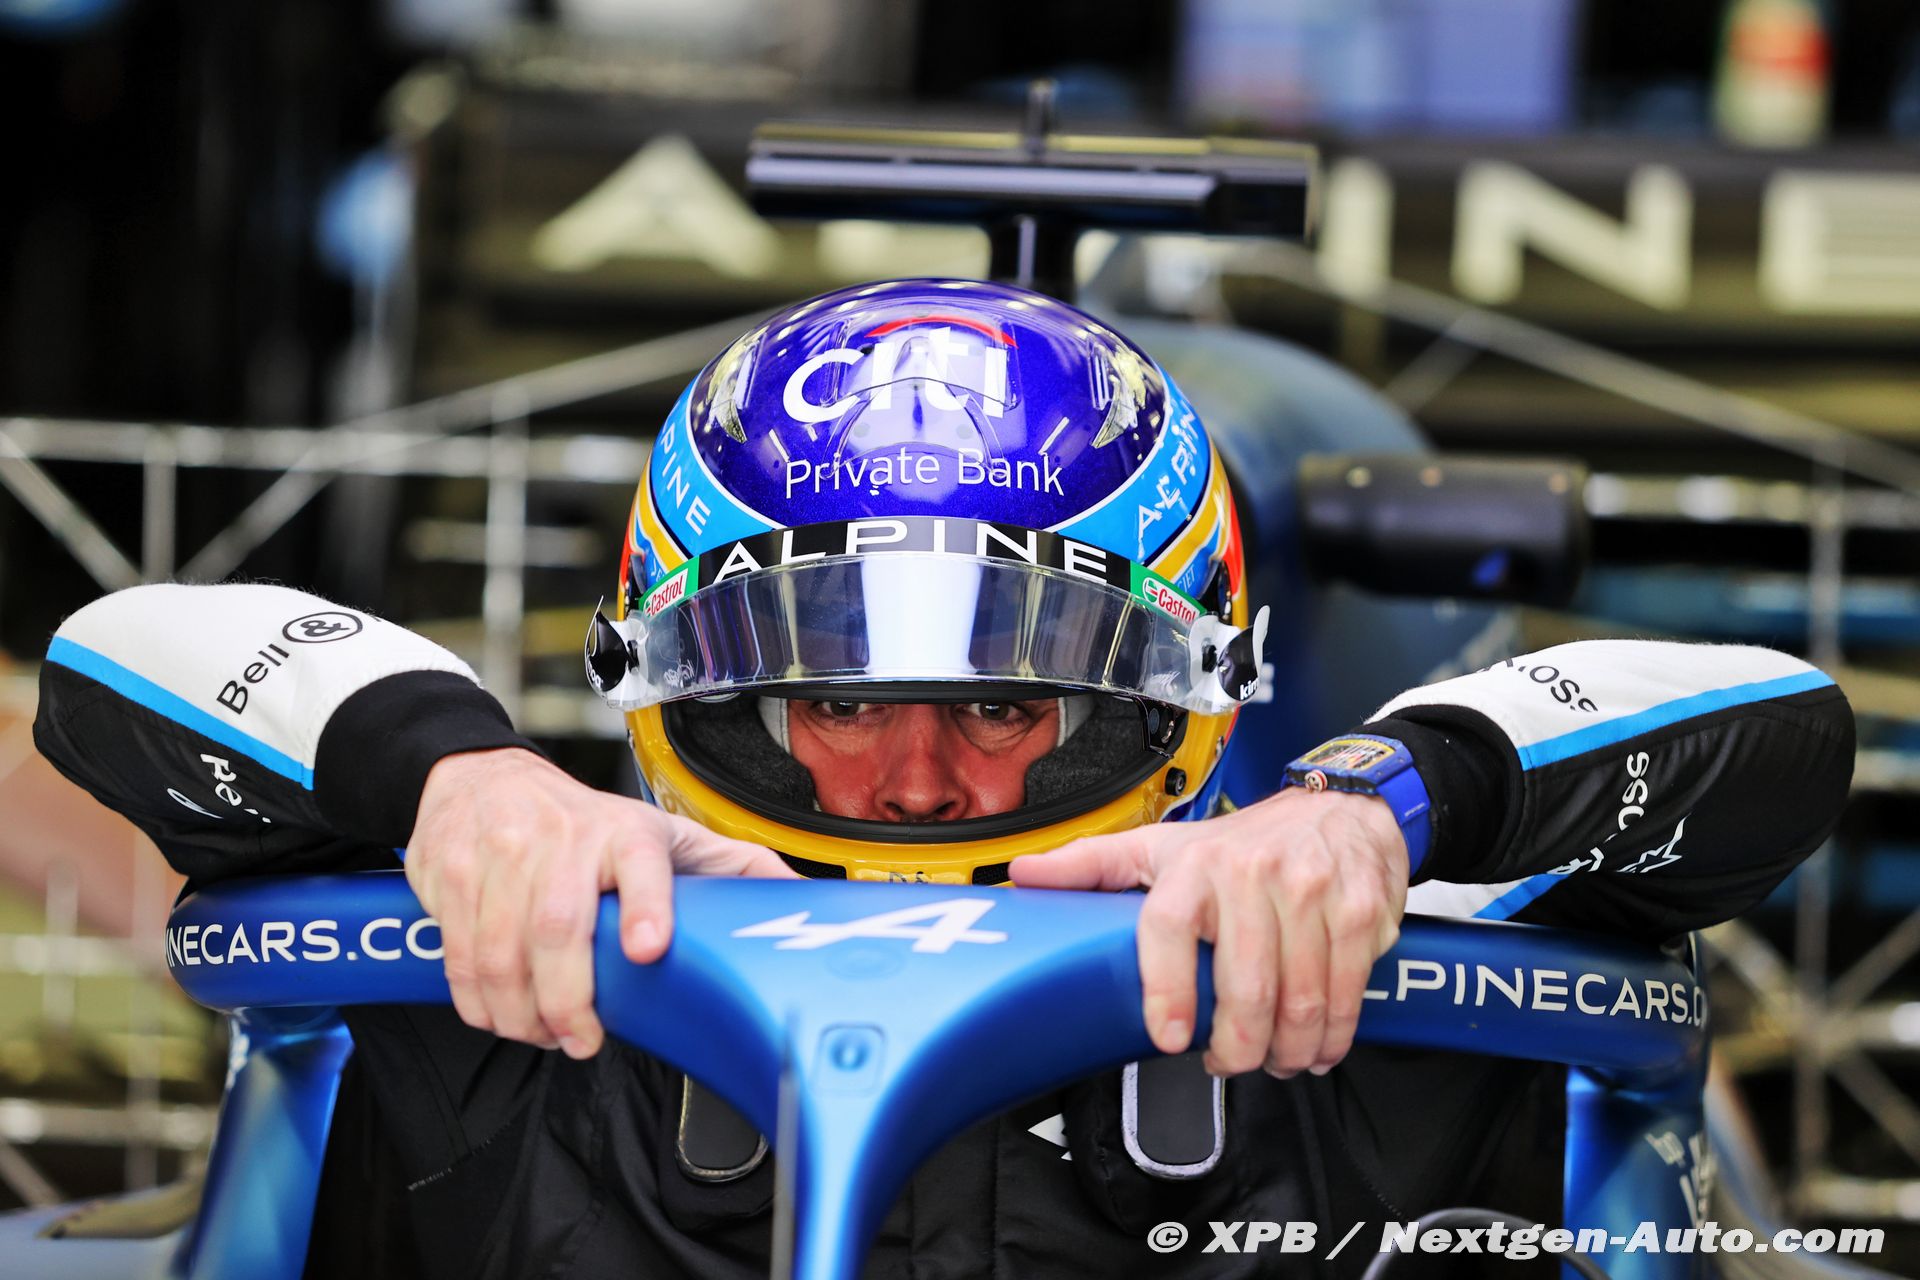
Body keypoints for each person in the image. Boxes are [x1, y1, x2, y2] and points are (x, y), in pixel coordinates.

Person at [34, 280, 1853, 1279]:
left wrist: (1379, 808)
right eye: (835, 702)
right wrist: (459, 783)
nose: (913, 780)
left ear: (1178, 697)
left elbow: (1778, 722)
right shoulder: (509, 976)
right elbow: (121, 654)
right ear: (690, 687)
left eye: (1000, 707)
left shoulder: (1353, 986)